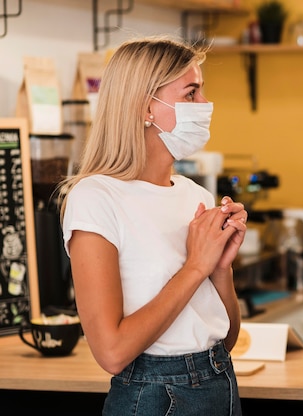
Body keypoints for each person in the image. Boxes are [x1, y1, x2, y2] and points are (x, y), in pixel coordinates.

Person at [59, 36, 247, 416]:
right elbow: (111, 353)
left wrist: (221, 267)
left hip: (219, 382)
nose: (205, 105)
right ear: (146, 106)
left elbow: (224, 339)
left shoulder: (195, 194)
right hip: (155, 398)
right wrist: (196, 266)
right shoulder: (95, 198)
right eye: (191, 93)